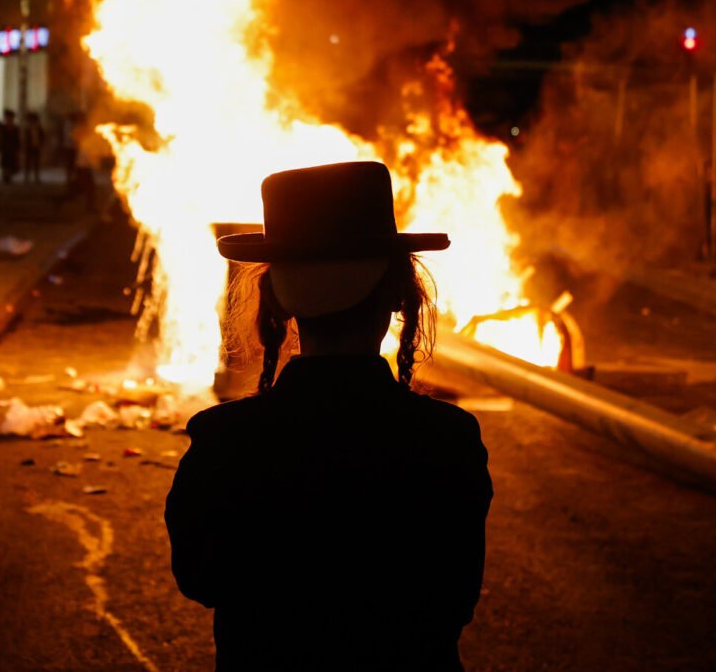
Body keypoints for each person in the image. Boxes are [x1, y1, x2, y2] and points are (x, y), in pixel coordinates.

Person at [166, 161, 492, 672]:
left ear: (276, 304)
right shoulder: (446, 440)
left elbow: (199, 578)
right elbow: (454, 599)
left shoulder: (224, 441)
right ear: (397, 297)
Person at [21, 111, 46, 183]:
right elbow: (25, 138)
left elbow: (43, 137)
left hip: (36, 147)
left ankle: (36, 177)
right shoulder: (28, 128)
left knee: (36, 163)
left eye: (34, 120)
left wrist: (41, 144)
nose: (33, 122)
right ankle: (27, 178)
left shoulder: (39, 128)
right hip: (29, 147)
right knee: (28, 163)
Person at [0, 108, 20, 183]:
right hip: (4, 148)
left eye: (10, 117)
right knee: (5, 163)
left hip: (12, 148)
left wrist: (17, 148)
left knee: (10, 163)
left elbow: (17, 139)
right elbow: (0, 138)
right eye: (7, 117)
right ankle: (5, 176)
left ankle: (8, 176)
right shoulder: (2, 127)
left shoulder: (15, 128)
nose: (8, 119)